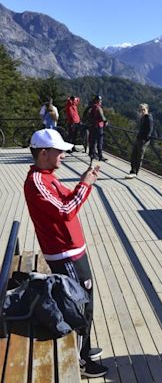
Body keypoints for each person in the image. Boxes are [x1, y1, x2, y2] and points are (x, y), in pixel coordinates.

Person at [23, 129, 108, 378]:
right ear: (43, 153)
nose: (63, 155)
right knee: (78, 304)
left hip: (71, 250)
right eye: (59, 151)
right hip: (65, 254)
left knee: (86, 301)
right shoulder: (38, 181)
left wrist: (84, 181)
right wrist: (85, 184)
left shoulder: (47, 177)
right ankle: (80, 362)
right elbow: (66, 211)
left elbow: (66, 202)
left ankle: (86, 348)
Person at [125, 103, 154, 179]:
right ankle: (132, 170)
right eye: (141, 110)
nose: (142, 111)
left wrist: (144, 139)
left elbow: (149, 131)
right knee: (134, 155)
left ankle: (135, 172)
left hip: (143, 140)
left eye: (144, 110)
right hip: (139, 138)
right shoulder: (143, 118)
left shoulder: (149, 119)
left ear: (147, 109)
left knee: (139, 156)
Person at [88, 95, 108, 161]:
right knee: (100, 142)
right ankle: (100, 156)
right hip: (98, 126)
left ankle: (91, 153)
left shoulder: (92, 107)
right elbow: (102, 117)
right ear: (98, 101)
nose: (101, 102)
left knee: (93, 141)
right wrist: (106, 121)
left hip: (92, 126)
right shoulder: (98, 108)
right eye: (100, 100)